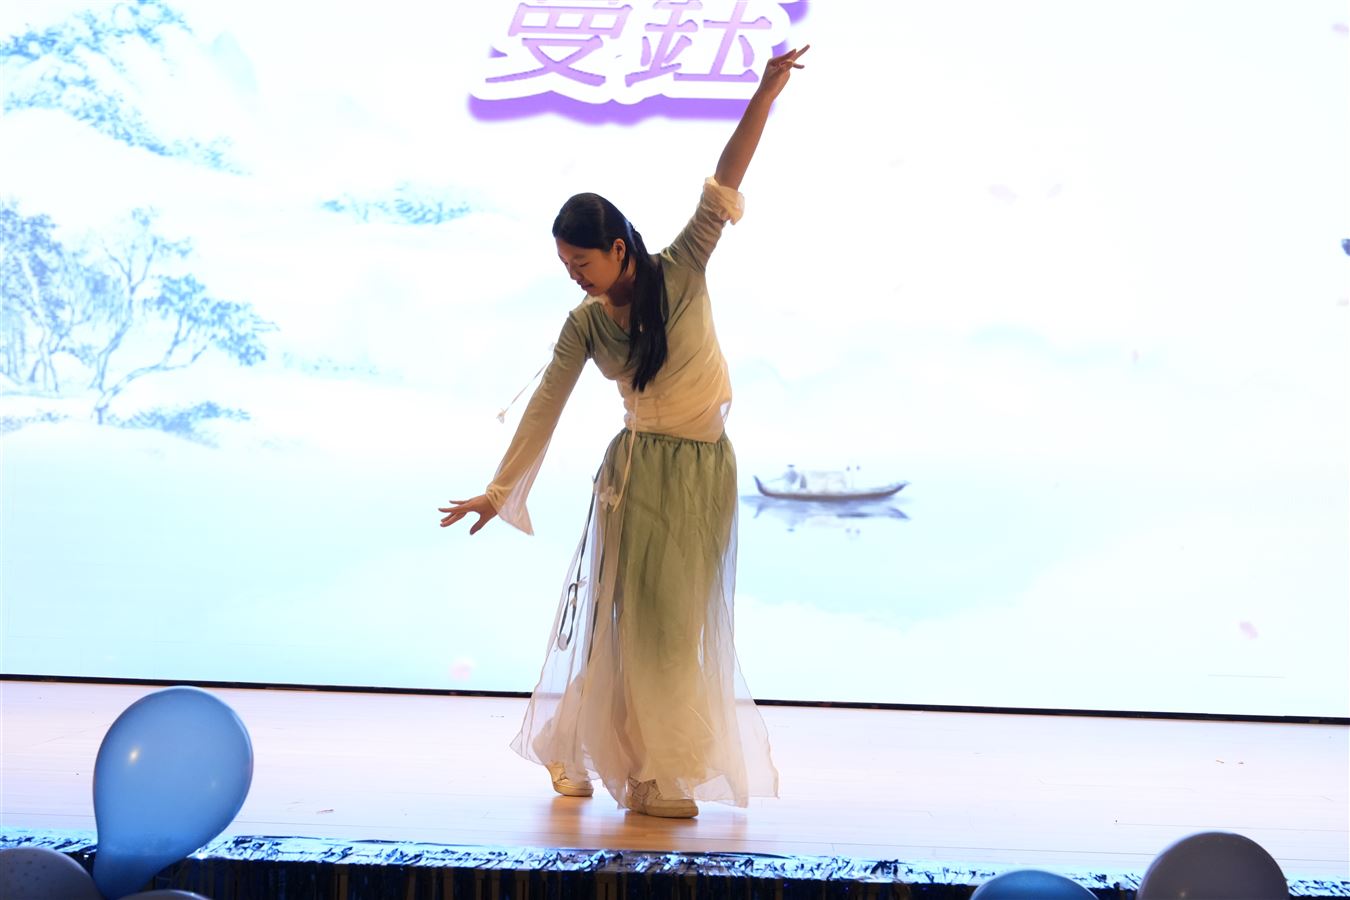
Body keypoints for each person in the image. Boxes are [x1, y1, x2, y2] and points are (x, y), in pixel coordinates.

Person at [438, 45, 810, 818]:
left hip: (705, 469)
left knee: (676, 625)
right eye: (565, 264)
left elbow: (726, 177)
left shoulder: (684, 266)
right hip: (637, 475)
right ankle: (653, 774)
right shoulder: (584, 324)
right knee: (639, 628)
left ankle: (590, 749)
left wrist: (766, 91)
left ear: (617, 249)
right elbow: (544, 405)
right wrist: (498, 491)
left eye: (582, 261)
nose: (574, 275)